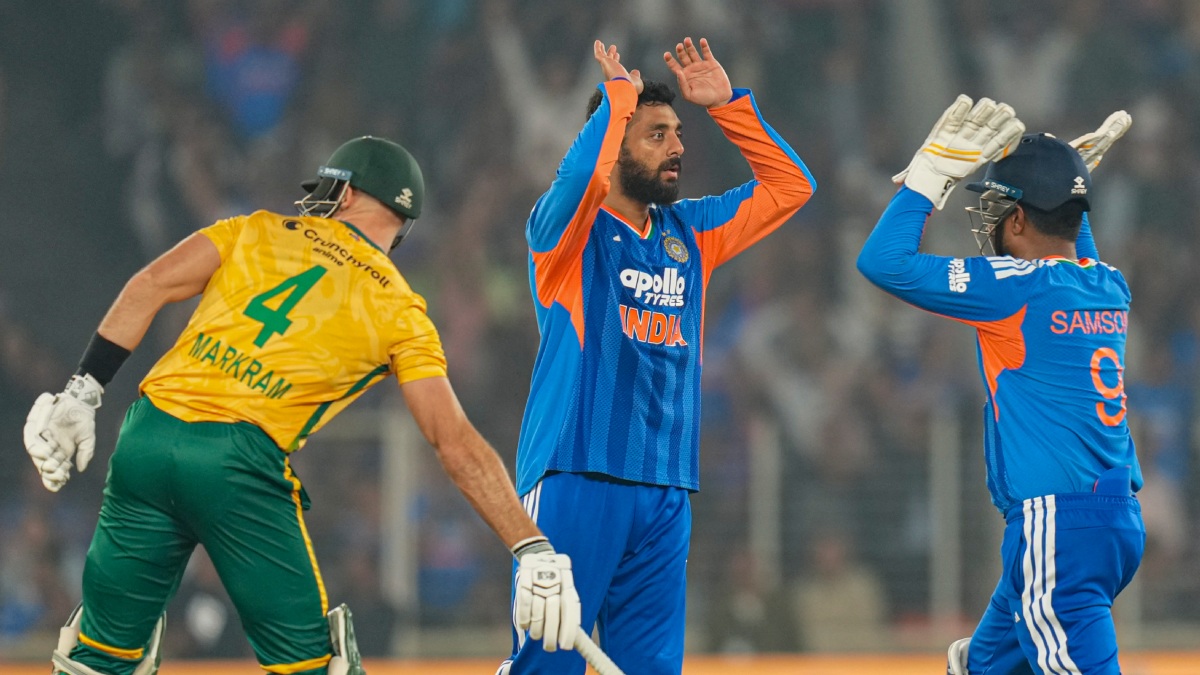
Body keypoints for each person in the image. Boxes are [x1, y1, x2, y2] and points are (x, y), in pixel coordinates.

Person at [22, 136, 581, 675]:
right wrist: (529, 545)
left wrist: (82, 390)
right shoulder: (401, 309)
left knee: (97, 657)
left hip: (147, 434)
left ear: (349, 192)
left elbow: (149, 284)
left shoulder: (256, 228)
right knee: (315, 666)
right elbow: (451, 439)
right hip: (236, 462)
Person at [499, 38, 816, 674]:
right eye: (656, 135)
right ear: (612, 145)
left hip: (665, 485)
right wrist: (617, 98)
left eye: (677, 133)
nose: (677, 147)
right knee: (549, 664)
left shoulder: (690, 233)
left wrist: (729, 108)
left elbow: (790, 187)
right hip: (574, 472)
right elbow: (577, 179)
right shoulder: (564, 234)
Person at [856, 97, 1145, 674]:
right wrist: (1069, 186)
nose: (988, 221)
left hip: (1056, 530)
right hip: (1115, 522)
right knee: (981, 667)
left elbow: (882, 261)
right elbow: (1073, 250)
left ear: (1017, 220)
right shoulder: (1109, 285)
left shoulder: (1013, 285)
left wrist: (928, 177)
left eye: (996, 208)